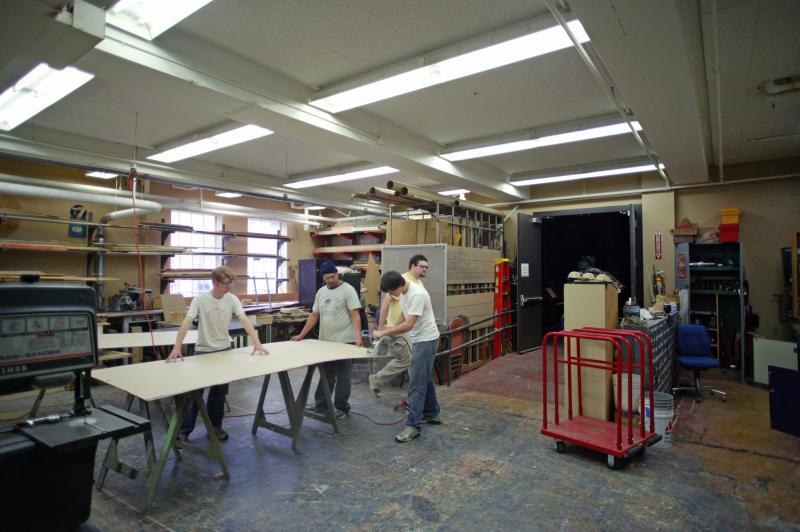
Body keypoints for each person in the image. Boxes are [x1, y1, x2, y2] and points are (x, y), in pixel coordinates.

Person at [166, 266, 269, 442]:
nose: (228, 287)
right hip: (203, 352)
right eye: (226, 284)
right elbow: (186, 322)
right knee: (194, 394)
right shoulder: (200, 300)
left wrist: (257, 342)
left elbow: (244, 320)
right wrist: (177, 347)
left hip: (224, 351)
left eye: (231, 284)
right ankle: (184, 431)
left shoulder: (232, 299)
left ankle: (215, 427)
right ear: (215, 282)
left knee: (219, 394)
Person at [374, 270, 440, 442]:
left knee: (416, 383)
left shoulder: (417, 294)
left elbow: (409, 324)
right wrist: (391, 333)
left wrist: (385, 332)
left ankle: (413, 426)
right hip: (420, 339)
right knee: (424, 377)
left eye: (390, 291)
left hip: (426, 340)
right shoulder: (404, 292)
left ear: (398, 286)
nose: (389, 295)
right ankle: (432, 413)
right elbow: (404, 315)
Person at [291, 260, 362, 419]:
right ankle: (321, 404)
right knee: (326, 375)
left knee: (343, 377)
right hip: (326, 342)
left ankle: (341, 407)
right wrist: (302, 335)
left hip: (345, 341)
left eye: (332, 276)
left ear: (337, 274)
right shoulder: (321, 292)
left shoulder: (348, 290)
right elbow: (314, 315)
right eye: (327, 278)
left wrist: (358, 337)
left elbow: (355, 315)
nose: (330, 280)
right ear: (322, 277)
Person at [369, 254, 429, 393]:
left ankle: (414, 391)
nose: (425, 269)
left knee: (411, 362)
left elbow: (407, 311)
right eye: (422, 266)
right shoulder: (399, 281)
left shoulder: (418, 284)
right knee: (406, 360)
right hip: (399, 329)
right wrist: (382, 327)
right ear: (413, 266)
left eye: (426, 267)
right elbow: (385, 304)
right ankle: (377, 379)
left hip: (408, 328)